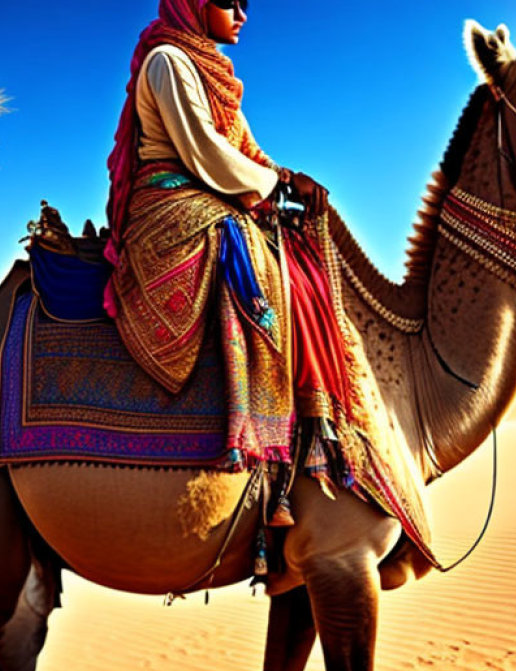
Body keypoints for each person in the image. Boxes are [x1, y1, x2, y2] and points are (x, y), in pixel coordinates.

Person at [105, 0, 350, 481]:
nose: (241, 14)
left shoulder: (209, 67)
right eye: (228, 1)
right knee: (245, 246)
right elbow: (205, 150)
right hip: (168, 204)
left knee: (294, 253)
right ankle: (250, 425)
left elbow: (244, 147)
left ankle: (315, 409)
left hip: (209, 191)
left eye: (245, 3)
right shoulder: (169, 61)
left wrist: (286, 175)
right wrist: (277, 186)